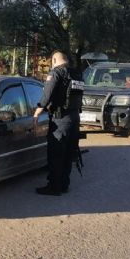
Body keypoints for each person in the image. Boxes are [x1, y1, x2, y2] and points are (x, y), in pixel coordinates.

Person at [32, 51, 83, 195]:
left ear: (54, 60)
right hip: (74, 118)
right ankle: (64, 185)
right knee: (68, 154)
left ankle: (54, 187)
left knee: (56, 153)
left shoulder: (56, 73)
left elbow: (47, 94)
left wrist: (37, 111)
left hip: (60, 119)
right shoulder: (77, 74)